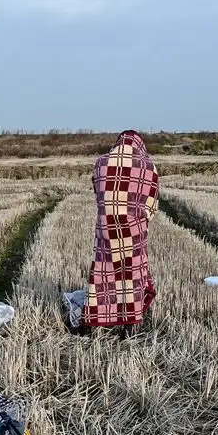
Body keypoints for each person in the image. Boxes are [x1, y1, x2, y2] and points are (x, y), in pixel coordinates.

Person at [80, 130, 160, 334]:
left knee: (104, 274)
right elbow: (152, 206)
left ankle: (94, 321)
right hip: (135, 231)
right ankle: (129, 325)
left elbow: (98, 195)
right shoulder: (149, 166)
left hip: (106, 228)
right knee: (132, 275)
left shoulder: (101, 163)